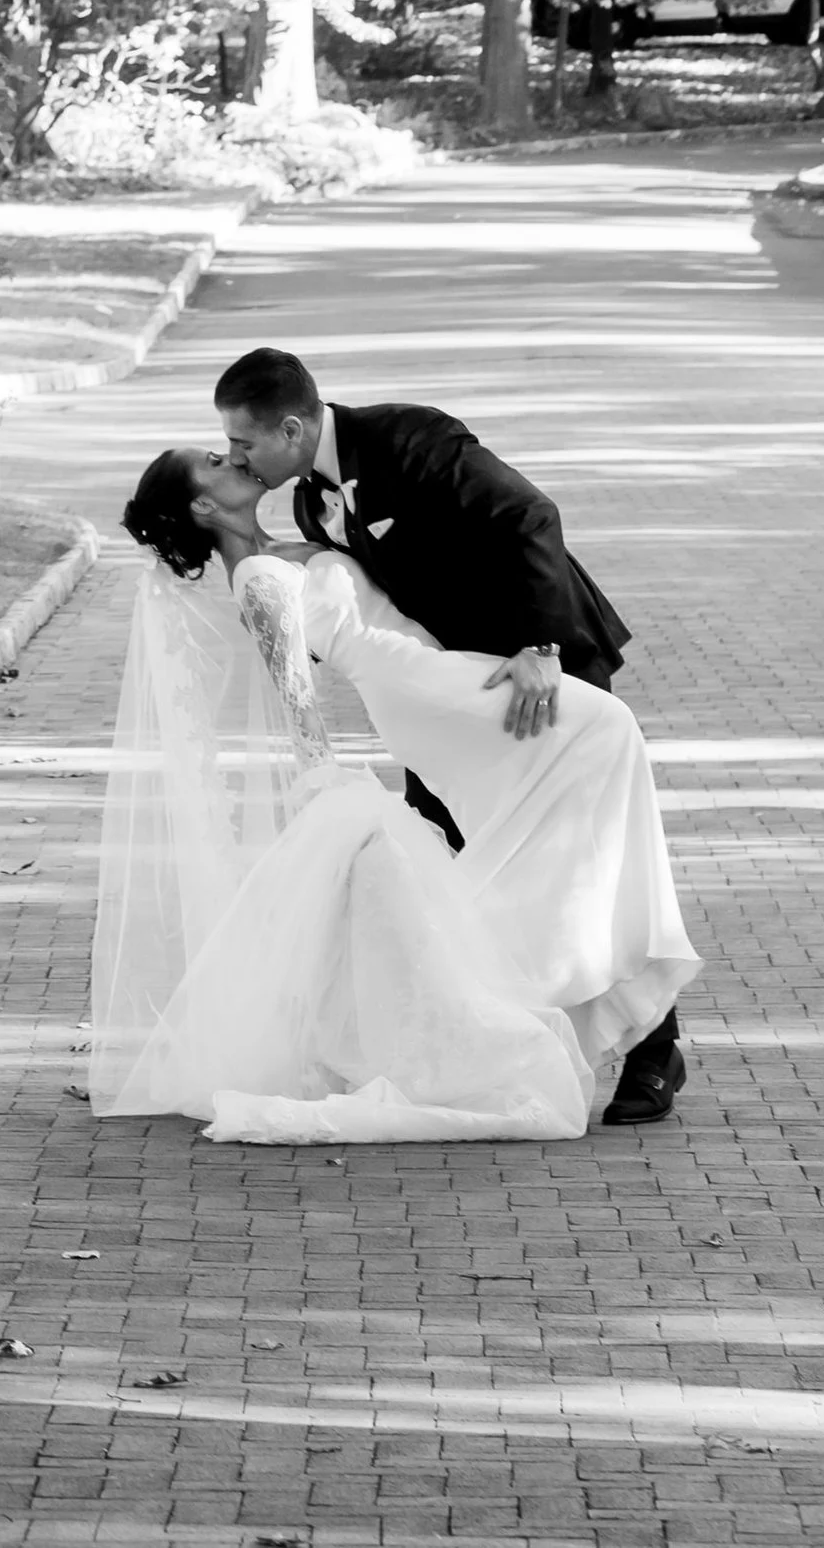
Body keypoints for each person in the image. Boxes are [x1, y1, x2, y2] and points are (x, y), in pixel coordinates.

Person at [89, 440, 697, 1145]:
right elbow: (294, 690)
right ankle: (589, 994)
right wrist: (320, 775)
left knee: (575, 783)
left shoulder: (297, 532)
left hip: (435, 666)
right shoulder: (256, 574)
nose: (234, 461)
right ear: (202, 504)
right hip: (414, 685)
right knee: (603, 726)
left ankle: (571, 985)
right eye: (215, 464)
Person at [212, 344, 686, 1122]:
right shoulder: (309, 504)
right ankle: (486, 1041)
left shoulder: (411, 440)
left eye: (244, 443)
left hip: (542, 670)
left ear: (292, 429)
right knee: (446, 851)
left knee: (588, 859)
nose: (236, 456)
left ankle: (653, 1047)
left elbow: (528, 515)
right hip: (456, 698)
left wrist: (540, 649)